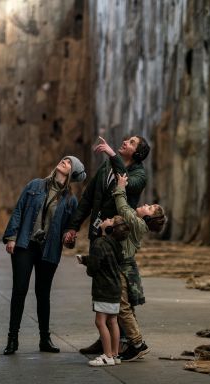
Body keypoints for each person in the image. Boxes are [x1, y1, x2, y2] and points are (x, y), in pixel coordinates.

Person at [63, 135, 150, 354]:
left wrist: (112, 155)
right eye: (126, 140)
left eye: (131, 143)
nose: (124, 143)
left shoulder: (139, 174)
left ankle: (129, 341)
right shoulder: (105, 168)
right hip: (98, 233)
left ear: (137, 153)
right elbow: (88, 198)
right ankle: (106, 340)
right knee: (102, 287)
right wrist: (74, 226)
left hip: (117, 238)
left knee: (119, 292)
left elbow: (127, 183)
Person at [2, 156, 86, 355]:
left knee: (43, 294)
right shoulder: (35, 185)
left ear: (71, 173)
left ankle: (44, 339)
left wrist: (70, 238)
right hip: (25, 244)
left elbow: (69, 231)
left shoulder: (70, 201)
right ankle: (12, 339)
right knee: (19, 291)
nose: (63, 161)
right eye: (64, 159)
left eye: (68, 163)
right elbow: (19, 210)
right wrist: (11, 237)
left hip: (48, 250)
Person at [113, 173, 166, 361]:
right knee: (126, 306)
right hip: (125, 267)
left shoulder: (136, 223)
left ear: (148, 219)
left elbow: (122, 207)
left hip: (123, 268)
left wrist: (120, 186)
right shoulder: (138, 223)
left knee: (122, 306)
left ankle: (137, 343)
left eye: (149, 208)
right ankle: (129, 341)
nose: (145, 205)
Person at [78, 215, 130, 366]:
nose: (106, 218)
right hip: (115, 288)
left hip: (103, 288)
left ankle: (107, 356)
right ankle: (115, 354)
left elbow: (94, 268)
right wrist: (86, 259)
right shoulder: (116, 245)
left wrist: (88, 265)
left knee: (100, 322)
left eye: (111, 220)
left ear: (109, 228)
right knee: (113, 321)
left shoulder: (98, 243)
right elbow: (109, 261)